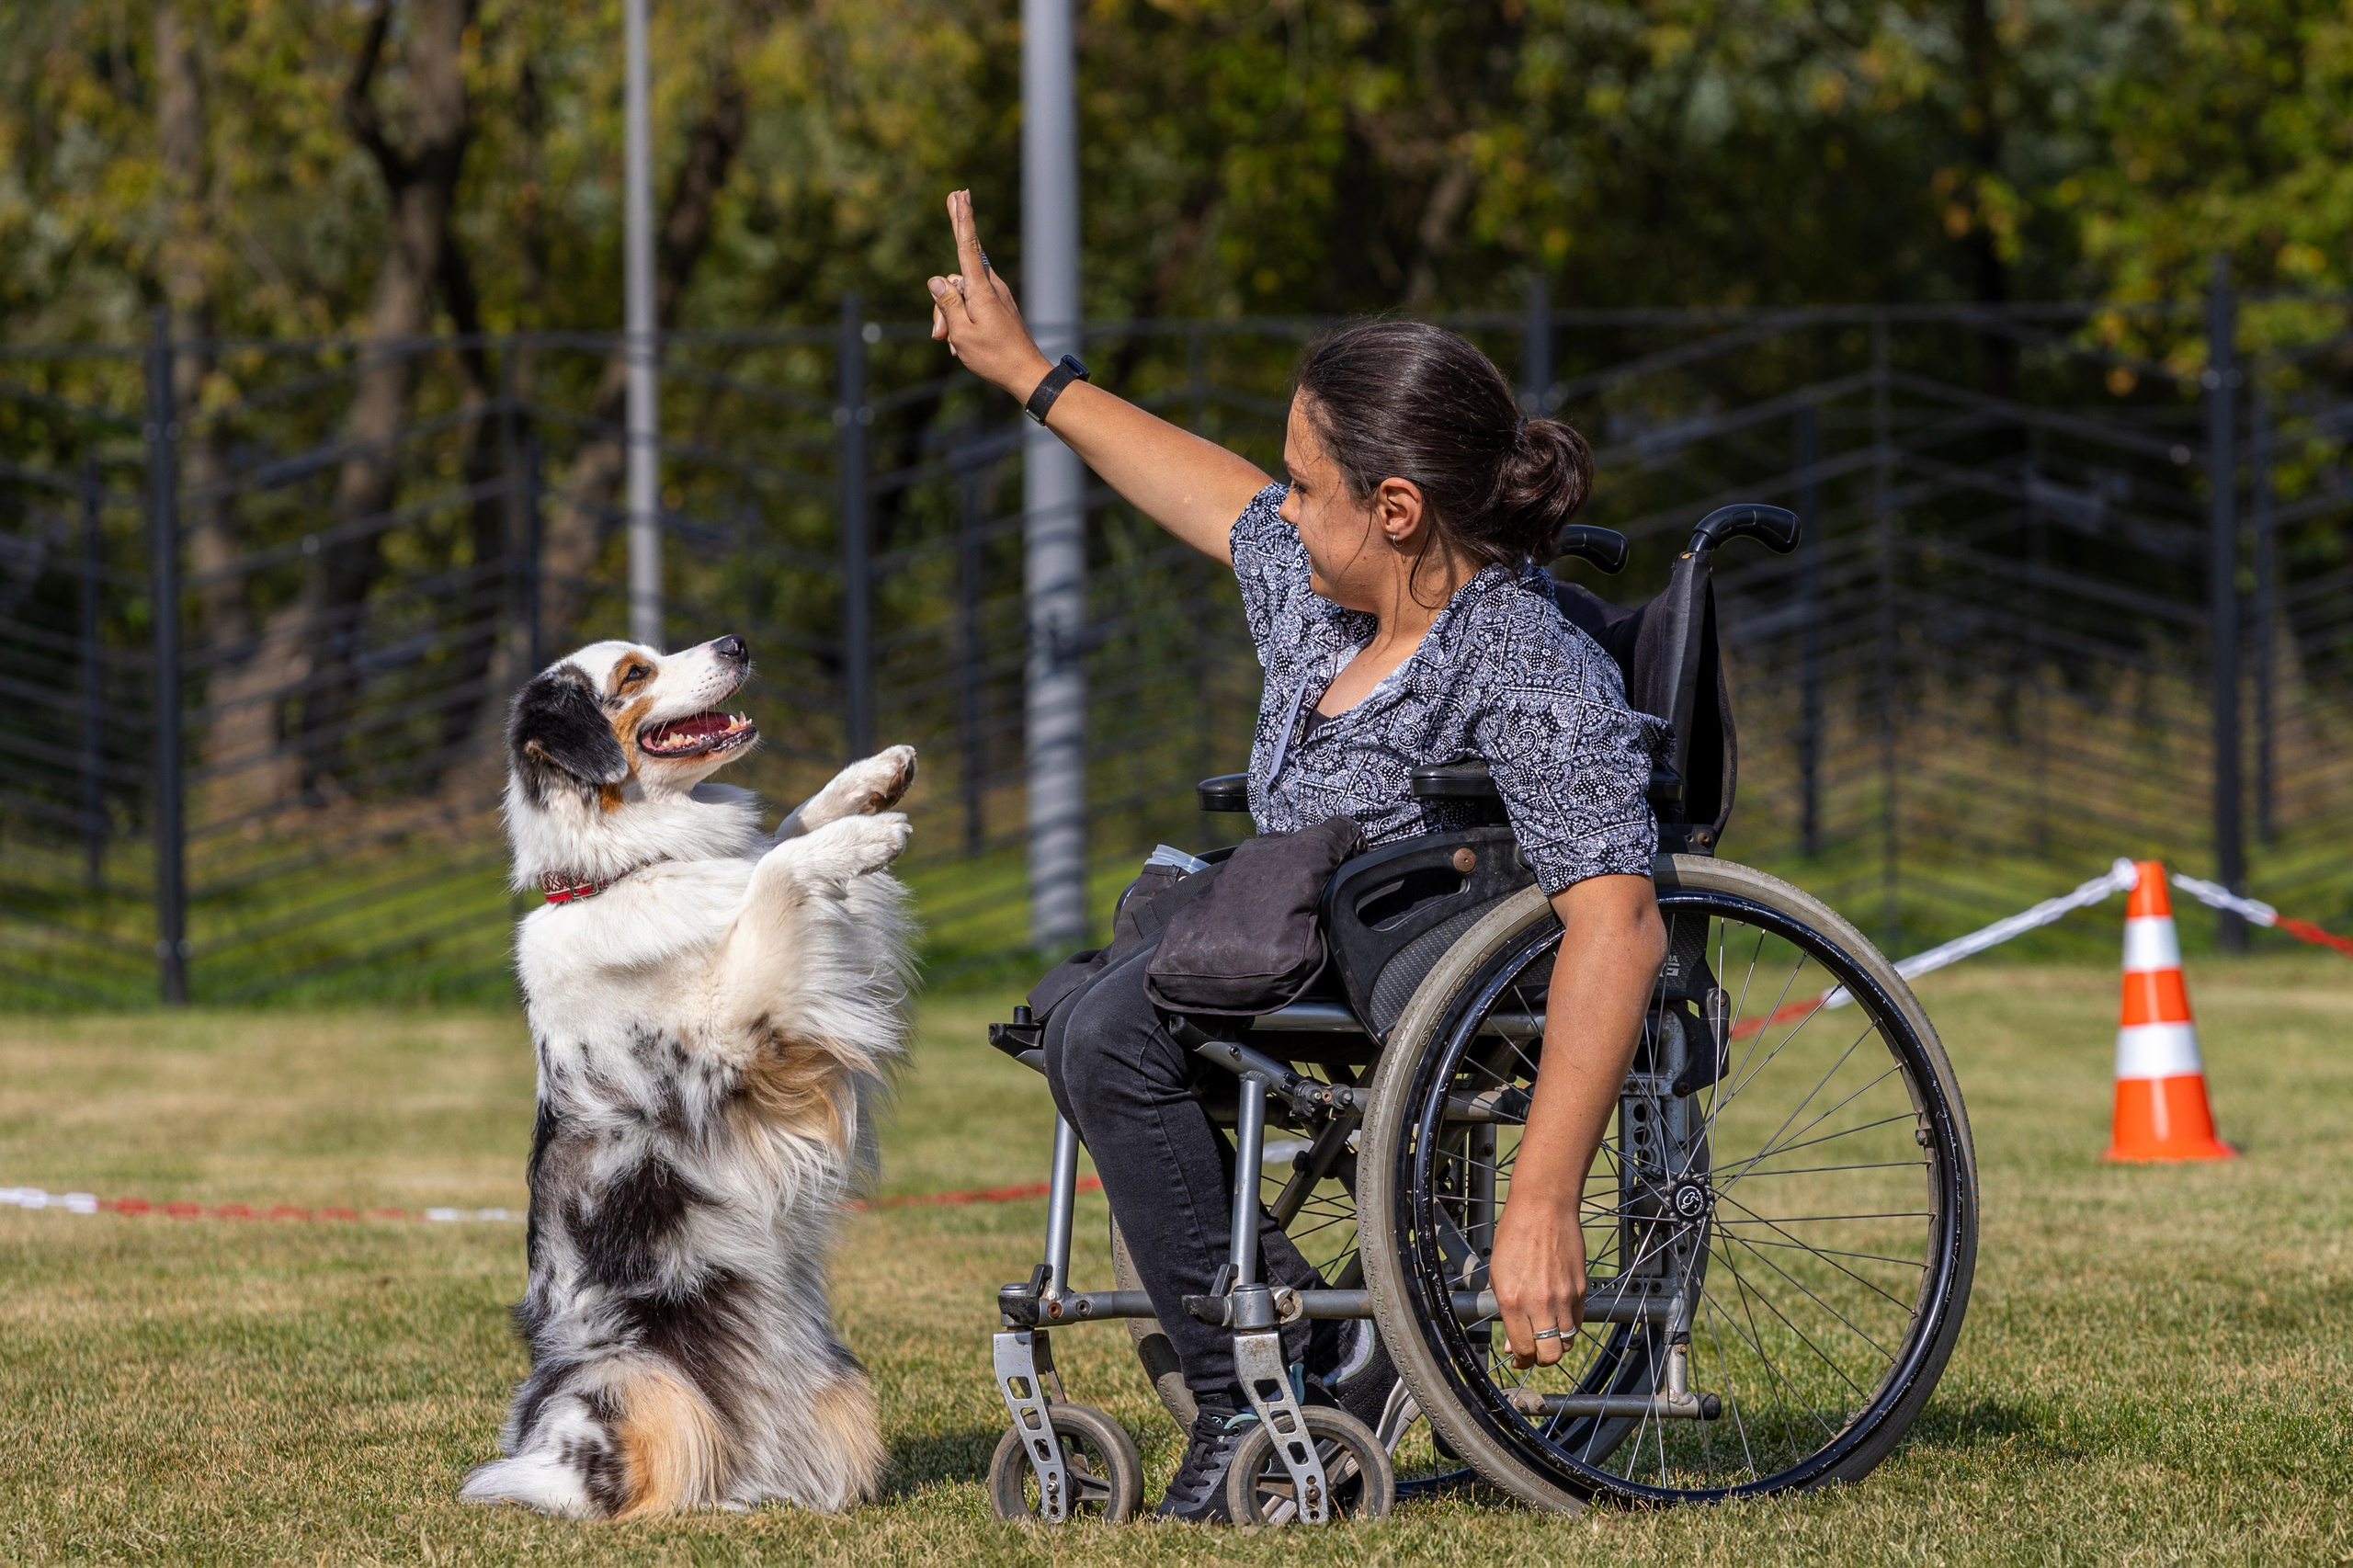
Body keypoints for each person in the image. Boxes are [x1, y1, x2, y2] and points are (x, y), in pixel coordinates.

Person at [926, 190, 1669, 1521]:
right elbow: (1218, 495)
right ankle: (1311, 1354)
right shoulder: (1328, 598)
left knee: (1112, 1035)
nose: (1284, 505)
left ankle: (1249, 1401)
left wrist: (1544, 1200)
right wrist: (1033, 377)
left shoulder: (1522, 661)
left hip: (1427, 961)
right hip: (1298, 926)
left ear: (1394, 508)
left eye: (1310, 483)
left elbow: (1618, 922)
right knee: (1080, 1014)